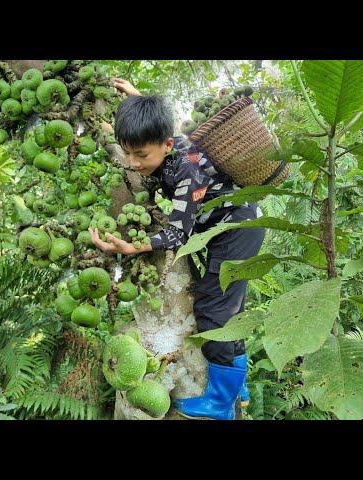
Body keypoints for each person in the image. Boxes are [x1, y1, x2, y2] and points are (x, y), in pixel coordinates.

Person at [88, 78, 266, 420]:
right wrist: (136, 100)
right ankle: (237, 386)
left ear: (167, 145)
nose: (134, 162)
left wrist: (132, 246)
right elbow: (159, 126)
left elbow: (176, 236)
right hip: (231, 230)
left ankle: (221, 404)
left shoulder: (188, 171)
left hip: (237, 230)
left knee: (215, 312)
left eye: (141, 155)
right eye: (128, 153)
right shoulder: (171, 145)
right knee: (227, 306)